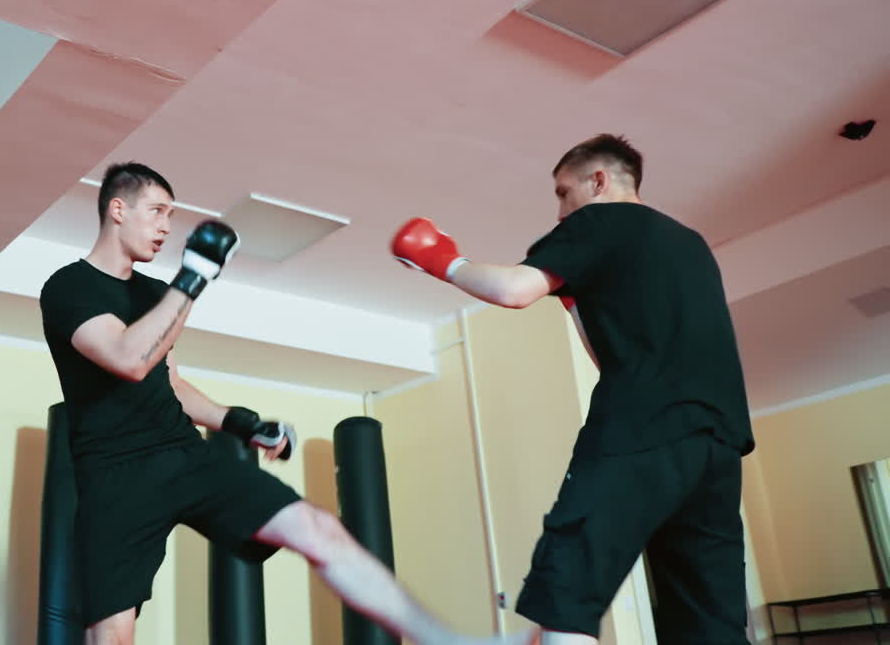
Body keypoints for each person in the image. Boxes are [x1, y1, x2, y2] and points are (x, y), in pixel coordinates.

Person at [41, 162, 526, 645]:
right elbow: (129, 359)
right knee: (112, 633)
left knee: (314, 525)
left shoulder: (153, 292)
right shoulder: (68, 287)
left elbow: (166, 381)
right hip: (115, 475)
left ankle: (445, 641)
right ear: (118, 209)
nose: (167, 226)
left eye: (172, 214)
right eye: (158, 211)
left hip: (183, 454)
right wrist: (192, 279)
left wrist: (241, 424)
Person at [392, 134, 755, 645]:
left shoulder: (599, 221)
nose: (562, 211)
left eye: (565, 193)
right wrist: (577, 301)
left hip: (642, 425)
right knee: (708, 618)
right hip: (719, 444)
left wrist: (443, 260)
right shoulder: (691, 243)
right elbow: (615, 355)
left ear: (599, 181)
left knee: (568, 590)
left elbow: (514, 291)